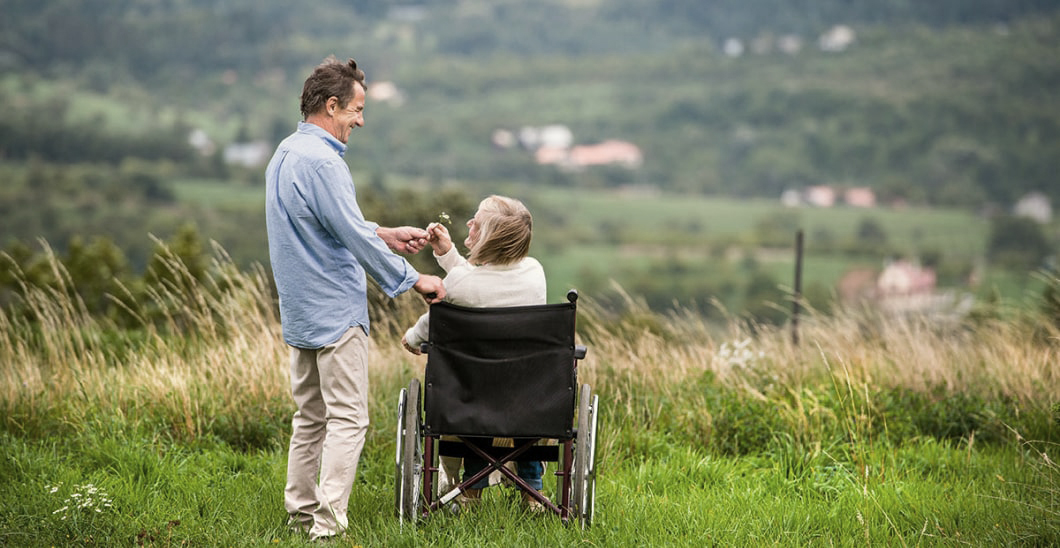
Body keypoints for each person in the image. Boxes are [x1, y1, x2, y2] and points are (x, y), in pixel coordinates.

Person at [265, 55, 446, 541]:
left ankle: (301, 514)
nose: (361, 120)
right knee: (349, 418)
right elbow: (348, 233)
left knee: (310, 416)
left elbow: (327, 225)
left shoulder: (285, 153)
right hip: (334, 310)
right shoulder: (324, 162)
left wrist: (384, 233)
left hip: (300, 309)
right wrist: (415, 280)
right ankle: (327, 527)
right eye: (356, 110)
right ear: (331, 105)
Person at [401, 195, 547, 510]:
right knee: (521, 412)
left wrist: (412, 337)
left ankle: (471, 494)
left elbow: (451, 303)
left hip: (471, 394)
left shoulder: (460, 284)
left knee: (478, 404)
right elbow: (483, 284)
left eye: (476, 223)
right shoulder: (535, 273)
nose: (469, 223)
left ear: (489, 238)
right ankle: (532, 492)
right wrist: (448, 253)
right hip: (528, 394)